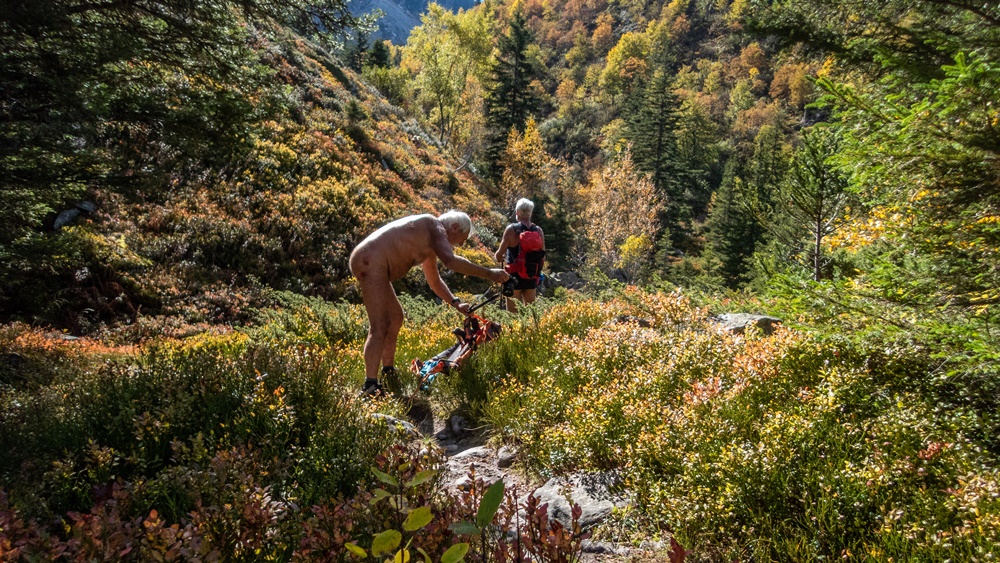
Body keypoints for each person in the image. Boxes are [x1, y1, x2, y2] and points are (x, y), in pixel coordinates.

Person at [349, 211, 510, 396]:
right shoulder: (432, 225)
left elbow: (434, 281)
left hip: (373, 263)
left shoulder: (430, 240)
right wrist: (490, 273)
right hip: (369, 261)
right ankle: (370, 385)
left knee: (395, 318)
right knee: (380, 325)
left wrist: (456, 303)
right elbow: (450, 261)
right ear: (455, 227)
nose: (461, 244)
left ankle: (388, 372)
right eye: (462, 239)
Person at [494, 198, 545, 312]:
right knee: (531, 315)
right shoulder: (538, 230)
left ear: (517, 212)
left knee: (512, 317)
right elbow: (543, 257)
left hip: (513, 278)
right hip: (531, 276)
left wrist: (498, 256)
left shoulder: (511, 230)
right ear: (530, 213)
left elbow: (498, 256)